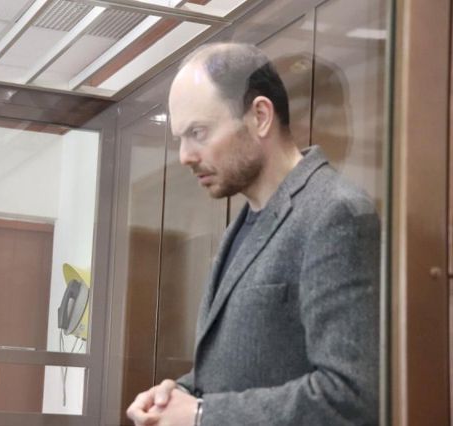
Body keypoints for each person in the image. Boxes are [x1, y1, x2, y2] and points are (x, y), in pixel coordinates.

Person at [126, 43, 379, 425]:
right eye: (181, 137)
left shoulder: (336, 213)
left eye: (198, 132)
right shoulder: (241, 225)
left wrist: (201, 415)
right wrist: (179, 394)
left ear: (260, 116)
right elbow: (246, 368)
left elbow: (350, 396)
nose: (185, 156)